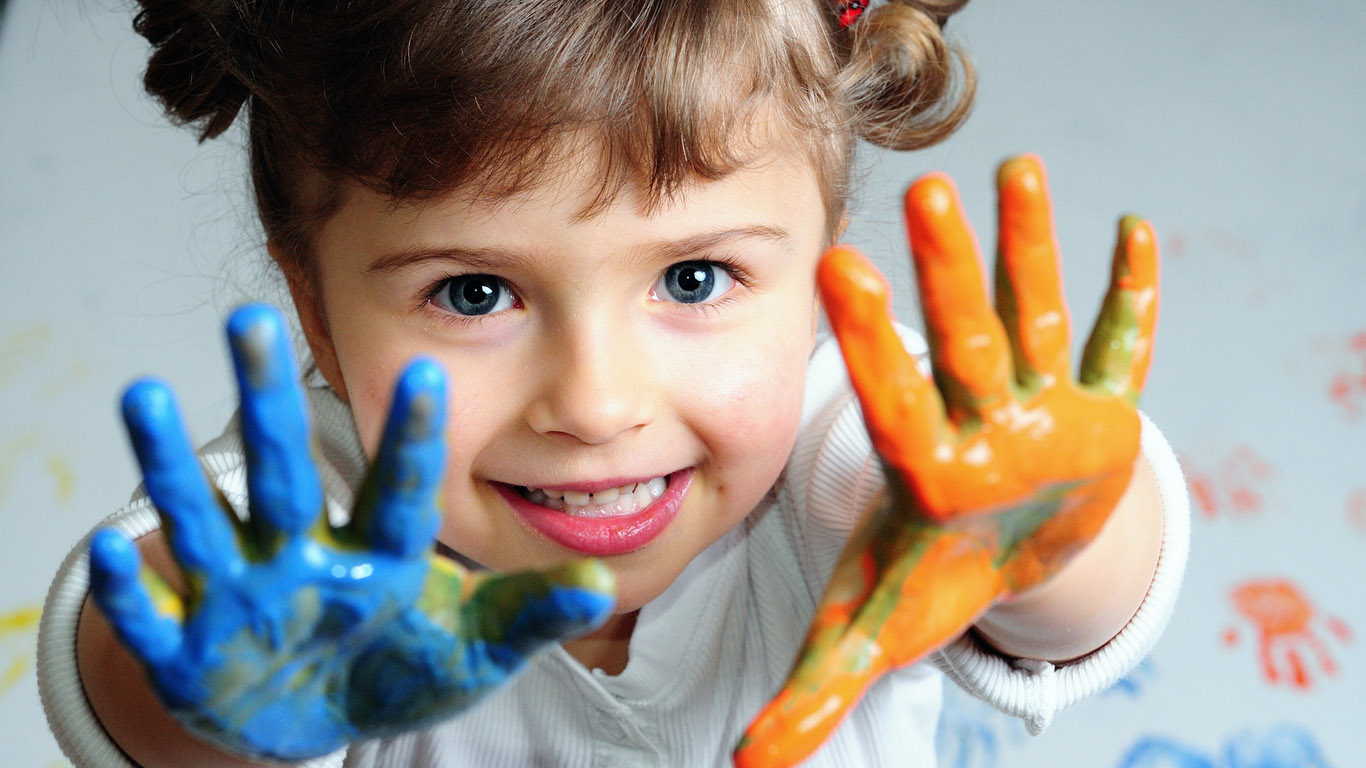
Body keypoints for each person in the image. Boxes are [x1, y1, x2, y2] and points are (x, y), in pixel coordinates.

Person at [37, 0, 1190, 766]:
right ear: (315, 312)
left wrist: (1060, 536)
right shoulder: (325, 536)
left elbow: (1076, 593)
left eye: (694, 278)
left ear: (823, 260)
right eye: (475, 293)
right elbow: (134, 642)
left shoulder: (860, 458)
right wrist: (212, 693)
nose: (593, 404)